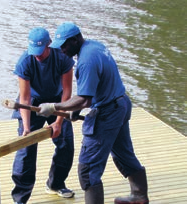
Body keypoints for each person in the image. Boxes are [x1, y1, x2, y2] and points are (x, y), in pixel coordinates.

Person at [37, 22, 149, 204]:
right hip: (120, 103)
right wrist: (76, 110)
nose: (61, 50)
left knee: (87, 170)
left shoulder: (86, 61)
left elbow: (84, 99)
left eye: (64, 46)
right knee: (124, 153)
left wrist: (55, 107)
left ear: (74, 40)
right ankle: (139, 196)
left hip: (107, 113)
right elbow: (92, 89)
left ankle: (137, 196)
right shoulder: (95, 46)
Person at [10, 27, 75, 204]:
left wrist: (59, 122)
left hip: (57, 101)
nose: (37, 55)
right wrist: (27, 127)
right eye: (34, 52)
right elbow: (24, 98)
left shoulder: (62, 57)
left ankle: (55, 184)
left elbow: (67, 92)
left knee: (66, 145)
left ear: (49, 45)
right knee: (26, 151)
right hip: (32, 103)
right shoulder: (25, 61)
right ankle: (20, 198)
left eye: (40, 51)